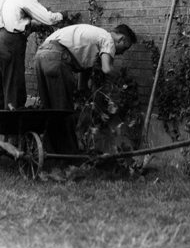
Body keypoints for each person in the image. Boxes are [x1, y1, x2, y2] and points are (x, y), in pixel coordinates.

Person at [34, 23, 137, 153]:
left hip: (41, 55)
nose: (122, 53)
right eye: (125, 48)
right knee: (63, 110)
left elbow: (83, 82)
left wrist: (91, 102)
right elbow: (106, 69)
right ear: (122, 39)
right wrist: (123, 83)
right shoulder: (108, 39)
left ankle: (51, 152)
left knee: (50, 109)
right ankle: (69, 155)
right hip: (56, 58)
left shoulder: (93, 41)